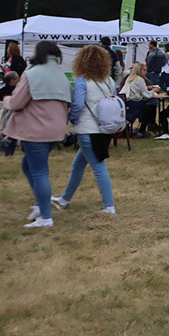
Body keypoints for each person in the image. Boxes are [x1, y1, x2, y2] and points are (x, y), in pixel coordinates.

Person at [2, 41, 71, 228]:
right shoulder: (62, 76)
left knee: (39, 171)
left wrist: (6, 101)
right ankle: (42, 205)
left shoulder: (31, 74)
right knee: (28, 166)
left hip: (35, 131)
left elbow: (16, 103)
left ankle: (46, 217)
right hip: (55, 132)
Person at [53, 45, 117, 215]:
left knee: (98, 167)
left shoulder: (82, 81)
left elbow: (78, 105)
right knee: (78, 164)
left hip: (87, 129)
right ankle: (64, 199)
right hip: (104, 128)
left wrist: (72, 118)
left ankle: (109, 206)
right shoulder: (109, 81)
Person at [119, 63, 161, 137]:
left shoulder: (130, 78)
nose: (146, 72)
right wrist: (154, 90)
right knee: (150, 108)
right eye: (144, 70)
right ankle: (143, 130)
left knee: (149, 107)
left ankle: (145, 129)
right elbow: (146, 95)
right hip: (134, 104)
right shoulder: (139, 79)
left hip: (127, 104)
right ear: (139, 70)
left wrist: (147, 89)